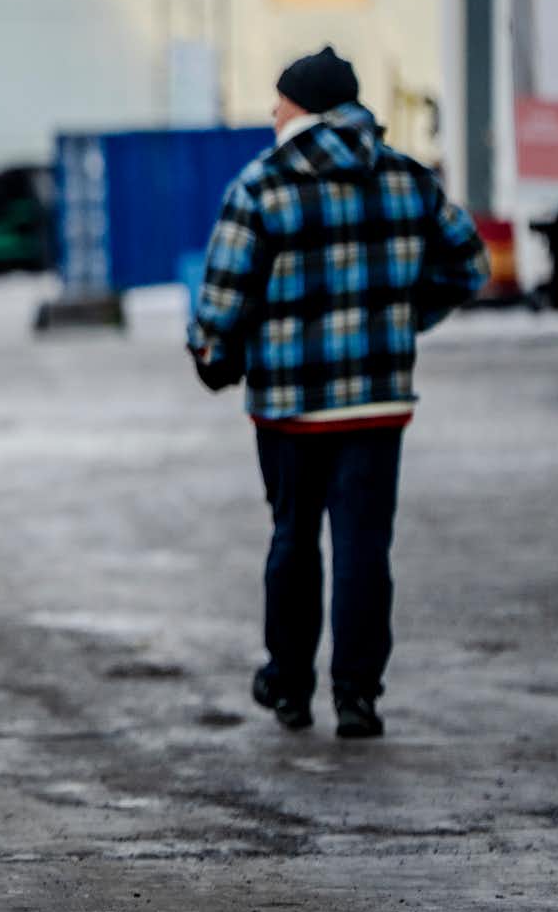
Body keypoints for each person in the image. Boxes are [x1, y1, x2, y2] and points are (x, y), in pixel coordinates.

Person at [188, 47, 489, 740]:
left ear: (307, 107)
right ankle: (358, 695)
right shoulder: (406, 177)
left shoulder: (263, 184)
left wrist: (213, 354)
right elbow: (468, 264)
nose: (273, 111)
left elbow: (223, 296)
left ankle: (288, 685)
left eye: (282, 99)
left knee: (294, 538)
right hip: (379, 401)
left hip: (291, 407)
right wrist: (407, 316)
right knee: (364, 546)